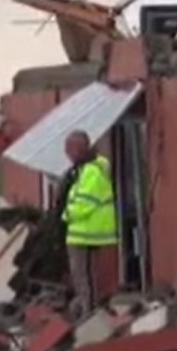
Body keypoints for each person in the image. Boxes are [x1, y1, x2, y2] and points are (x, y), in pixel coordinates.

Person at [59, 131, 118, 316]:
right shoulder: (87, 169)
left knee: (82, 276)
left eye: (70, 149)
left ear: (80, 148)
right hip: (86, 232)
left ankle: (89, 313)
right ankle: (89, 310)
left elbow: (85, 202)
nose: (67, 154)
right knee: (86, 276)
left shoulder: (92, 171)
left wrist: (66, 215)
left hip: (85, 232)